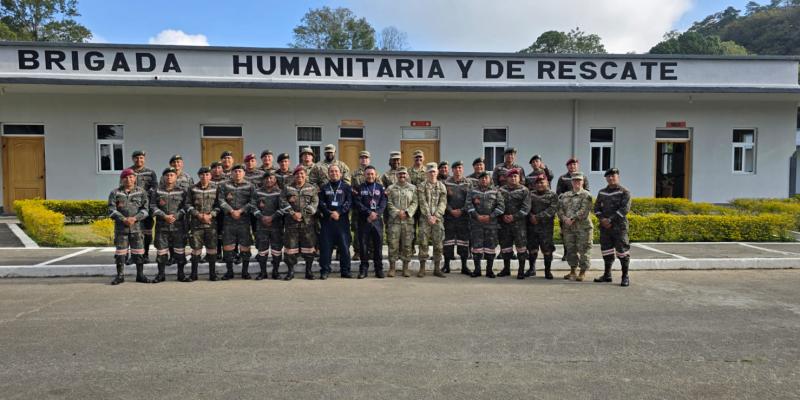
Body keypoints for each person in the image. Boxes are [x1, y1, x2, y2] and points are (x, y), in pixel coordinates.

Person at [108, 168, 150, 284]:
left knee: (139, 252)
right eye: (125, 177)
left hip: (137, 228)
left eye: (131, 177)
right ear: (122, 179)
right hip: (121, 229)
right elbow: (111, 210)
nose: (128, 179)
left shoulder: (141, 192)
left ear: (135, 178)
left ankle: (140, 275)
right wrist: (123, 219)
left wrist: (135, 218)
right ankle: (120, 276)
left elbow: (146, 210)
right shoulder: (115, 193)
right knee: (120, 253)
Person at [593, 168, 632, 287]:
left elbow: (624, 209)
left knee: (623, 252)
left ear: (617, 177)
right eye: (608, 176)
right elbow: (596, 208)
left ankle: (625, 276)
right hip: (605, 228)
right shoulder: (602, 192)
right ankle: (607, 275)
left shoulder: (624, 192)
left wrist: (609, 220)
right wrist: (602, 219)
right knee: (607, 251)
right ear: (606, 178)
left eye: (613, 176)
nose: (611, 178)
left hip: (619, 227)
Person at [217, 164, 256, 280]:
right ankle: (229, 272)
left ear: (244, 173)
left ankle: (245, 272)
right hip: (229, 221)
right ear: (231, 173)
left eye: (240, 171)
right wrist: (231, 211)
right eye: (235, 171)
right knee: (228, 248)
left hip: (244, 221)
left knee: (245, 247)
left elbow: (253, 201)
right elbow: (221, 200)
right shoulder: (224, 185)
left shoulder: (250, 186)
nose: (237, 173)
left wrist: (241, 211)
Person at [279, 166, 319, 280]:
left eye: (302, 174)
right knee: (290, 249)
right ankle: (290, 272)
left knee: (309, 248)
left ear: (305, 175)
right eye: (297, 174)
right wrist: (293, 213)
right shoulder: (287, 188)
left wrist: (303, 214)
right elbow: (282, 202)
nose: (300, 176)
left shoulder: (312, 188)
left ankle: (308, 271)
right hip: (291, 223)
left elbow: (315, 203)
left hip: (307, 224)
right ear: (294, 175)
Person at [150, 167, 188, 283]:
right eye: (167, 175)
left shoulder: (182, 191)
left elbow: (186, 206)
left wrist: (176, 216)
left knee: (180, 251)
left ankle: (181, 274)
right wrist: (164, 216)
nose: (169, 177)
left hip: (178, 226)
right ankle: (161, 275)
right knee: (161, 251)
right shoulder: (157, 191)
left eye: (172, 175)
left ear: (176, 177)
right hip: (162, 226)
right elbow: (152, 207)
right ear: (163, 177)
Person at [466, 172, 505, 278]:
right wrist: (476, 215)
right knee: (477, 248)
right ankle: (477, 270)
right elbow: (468, 205)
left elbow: (501, 207)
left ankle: (489, 270)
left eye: (485, 178)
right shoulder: (472, 191)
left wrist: (491, 216)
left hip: (491, 224)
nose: (483, 180)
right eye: (481, 178)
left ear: (489, 179)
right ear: (478, 180)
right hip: (476, 223)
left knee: (490, 248)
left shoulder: (496, 191)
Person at [318, 165, 353, 279]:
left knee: (344, 247)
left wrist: (338, 212)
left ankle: (345, 271)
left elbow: (348, 203)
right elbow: (321, 203)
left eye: (336, 171)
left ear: (340, 173)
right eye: (331, 171)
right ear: (328, 174)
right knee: (326, 248)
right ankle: (325, 270)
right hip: (327, 222)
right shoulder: (324, 188)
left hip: (342, 221)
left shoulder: (346, 187)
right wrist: (329, 213)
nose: (334, 173)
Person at [557, 173, 593, 281]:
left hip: (583, 228)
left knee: (584, 250)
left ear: (582, 182)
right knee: (570, 250)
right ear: (571, 182)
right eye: (574, 180)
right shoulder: (565, 195)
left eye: (579, 180)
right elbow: (559, 209)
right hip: (568, 228)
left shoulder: (587, 195)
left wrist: (572, 219)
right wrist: (564, 219)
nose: (577, 182)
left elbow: (584, 210)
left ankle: (582, 272)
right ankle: (572, 271)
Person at [186, 167, 220, 281]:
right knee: (196, 249)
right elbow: (188, 205)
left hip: (211, 224)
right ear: (198, 176)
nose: (204, 176)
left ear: (210, 176)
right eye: (202, 174)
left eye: (207, 174)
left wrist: (211, 215)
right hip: (196, 224)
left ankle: (212, 274)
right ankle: (193, 274)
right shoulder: (192, 189)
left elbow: (219, 205)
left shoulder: (216, 189)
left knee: (212, 249)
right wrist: (198, 214)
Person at [353, 165, 387, 279]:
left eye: (372, 174)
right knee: (363, 246)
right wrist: (369, 213)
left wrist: (376, 213)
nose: (370, 176)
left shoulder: (380, 188)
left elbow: (383, 203)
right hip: (364, 220)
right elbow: (357, 203)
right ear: (364, 175)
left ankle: (379, 269)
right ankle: (363, 269)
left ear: (375, 175)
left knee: (378, 247)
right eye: (368, 174)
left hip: (377, 221)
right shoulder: (359, 188)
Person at [497, 169, 530, 279]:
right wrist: (502, 216)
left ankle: (521, 271)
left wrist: (513, 217)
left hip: (519, 224)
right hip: (504, 223)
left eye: (516, 176)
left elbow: (526, 208)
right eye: (511, 176)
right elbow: (496, 204)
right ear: (507, 178)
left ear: (519, 178)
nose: (513, 178)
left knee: (521, 248)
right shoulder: (501, 190)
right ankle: (506, 269)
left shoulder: (524, 190)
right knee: (505, 247)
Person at [416, 163, 448, 278]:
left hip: (438, 219)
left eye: (434, 171)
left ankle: (437, 269)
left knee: (438, 244)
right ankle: (422, 269)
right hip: (425, 219)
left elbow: (443, 203)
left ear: (437, 172)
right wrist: (429, 216)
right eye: (430, 172)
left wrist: (436, 216)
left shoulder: (442, 186)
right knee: (423, 243)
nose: (432, 173)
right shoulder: (421, 186)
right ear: (426, 173)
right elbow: (422, 202)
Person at [386, 167, 418, 278]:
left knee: (407, 245)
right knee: (393, 244)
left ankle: (405, 268)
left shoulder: (413, 188)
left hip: (408, 221)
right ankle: (392, 268)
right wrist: (397, 212)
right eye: (400, 174)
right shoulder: (391, 188)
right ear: (396, 175)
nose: (402, 176)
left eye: (404, 174)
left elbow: (415, 202)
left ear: (407, 175)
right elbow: (388, 203)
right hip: (394, 221)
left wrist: (407, 212)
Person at [252, 171, 284, 280]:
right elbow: (253, 207)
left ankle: (276, 272)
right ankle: (263, 272)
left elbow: (283, 207)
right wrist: (262, 217)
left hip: (276, 226)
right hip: (262, 226)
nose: (268, 180)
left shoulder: (280, 192)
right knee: (262, 250)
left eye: (271, 178)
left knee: (276, 250)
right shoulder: (257, 192)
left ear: (275, 180)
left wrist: (272, 217)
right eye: (266, 178)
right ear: (263, 180)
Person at [556, 157, 589, 261]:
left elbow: (587, 191)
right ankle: (567, 253)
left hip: (579, 208)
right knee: (565, 233)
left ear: (577, 165)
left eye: (574, 164)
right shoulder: (562, 178)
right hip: (566, 210)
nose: (572, 166)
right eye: (570, 164)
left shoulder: (583, 177)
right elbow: (559, 193)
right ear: (567, 166)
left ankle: (578, 254)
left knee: (580, 233)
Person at [128, 150, 157, 264]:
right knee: (133, 232)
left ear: (144, 159)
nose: (139, 160)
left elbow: (154, 189)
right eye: (136, 158)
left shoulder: (150, 173)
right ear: (133, 159)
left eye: (141, 158)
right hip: (132, 207)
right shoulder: (128, 172)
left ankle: (145, 254)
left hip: (146, 206)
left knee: (147, 232)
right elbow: (123, 186)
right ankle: (133, 255)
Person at [443, 161, 472, 275]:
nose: (458, 170)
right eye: (455, 168)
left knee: (463, 242)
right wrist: (450, 210)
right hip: (449, 216)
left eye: (460, 168)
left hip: (463, 217)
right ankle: (446, 266)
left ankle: (464, 266)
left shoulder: (468, 183)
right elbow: (442, 200)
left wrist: (462, 210)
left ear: (462, 169)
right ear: (452, 170)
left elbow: (470, 199)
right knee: (448, 242)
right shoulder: (446, 183)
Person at [527, 176, 558, 279]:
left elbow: (552, 209)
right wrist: (531, 216)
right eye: (538, 183)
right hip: (532, 227)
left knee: (547, 250)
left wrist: (537, 217)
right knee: (532, 249)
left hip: (546, 228)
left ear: (547, 183)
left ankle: (547, 271)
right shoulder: (531, 194)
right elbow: (526, 207)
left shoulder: (552, 195)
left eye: (542, 182)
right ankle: (532, 269)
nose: (540, 185)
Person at [350, 150, 373, 262]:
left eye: (366, 158)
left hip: (371, 207)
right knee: (357, 229)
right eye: (362, 158)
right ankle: (357, 252)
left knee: (371, 229)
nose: (364, 160)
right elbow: (350, 187)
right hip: (358, 207)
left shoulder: (374, 172)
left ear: (369, 159)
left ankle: (370, 251)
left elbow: (379, 187)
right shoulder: (354, 174)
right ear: (359, 160)